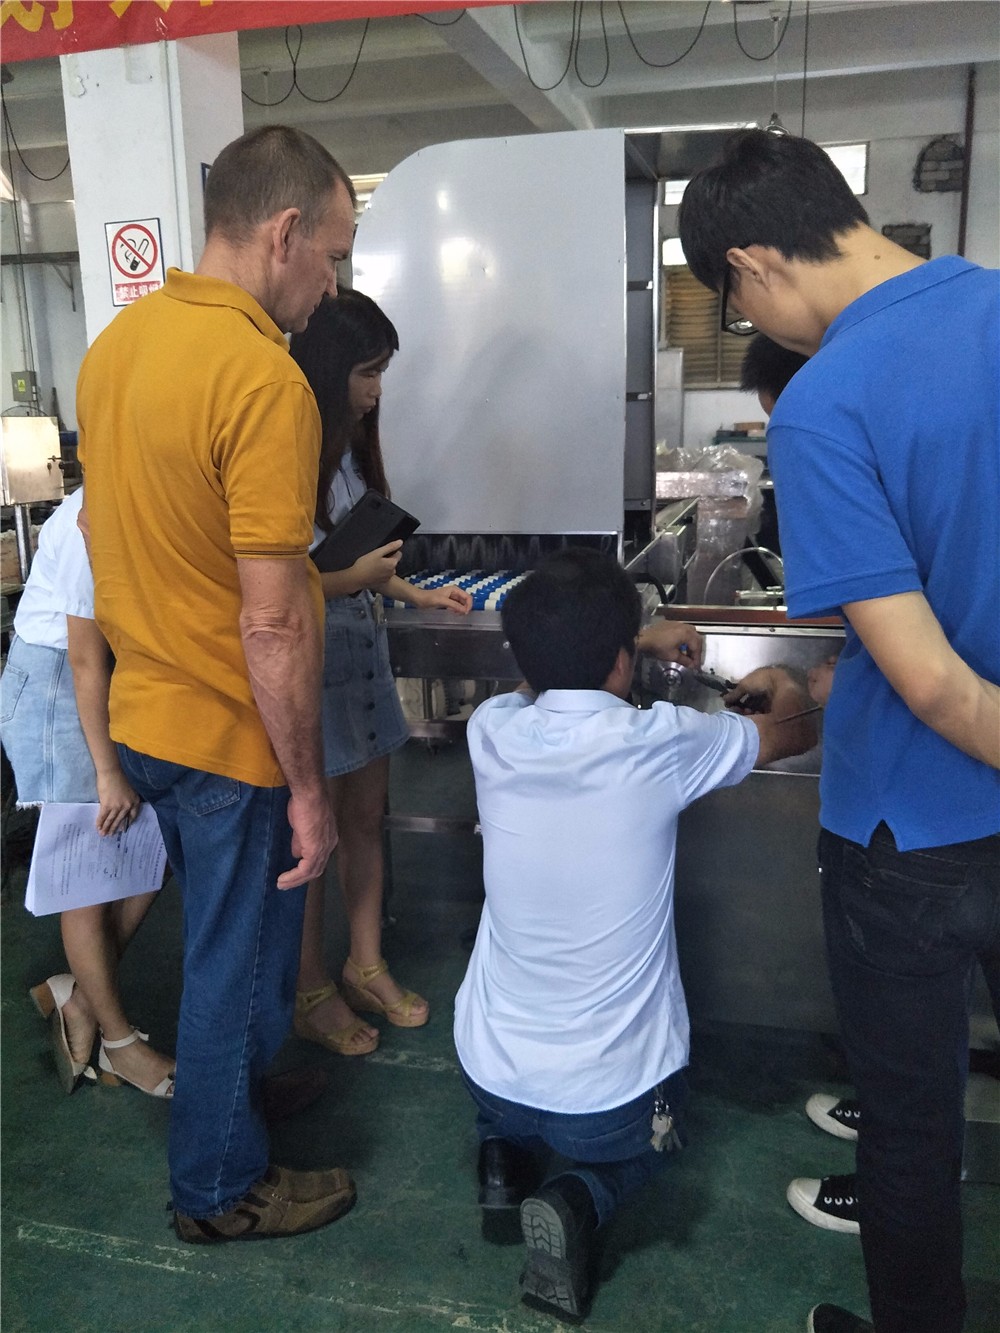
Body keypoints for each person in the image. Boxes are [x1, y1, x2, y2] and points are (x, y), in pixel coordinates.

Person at [679, 128, 1000, 1333]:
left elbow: (933, 684)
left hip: (903, 837)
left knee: (910, 1130)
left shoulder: (824, 401)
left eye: (735, 301)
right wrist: (820, 688)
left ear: (750, 263)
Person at [76, 125, 358, 1243]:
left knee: (220, 944)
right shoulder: (262, 379)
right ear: (283, 233)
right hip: (229, 734)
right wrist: (309, 787)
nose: (331, 286)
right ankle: (218, 1188)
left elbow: (104, 535)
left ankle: (228, 1100)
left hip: (146, 713)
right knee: (235, 964)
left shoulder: (117, 349)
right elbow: (273, 619)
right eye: (331, 255)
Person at [453, 546, 818, 1321]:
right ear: (621, 663)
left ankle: (501, 1153)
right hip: (611, 1096)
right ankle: (579, 1197)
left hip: (488, 1066)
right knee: (663, 1137)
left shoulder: (491, 730)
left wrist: (631, 642)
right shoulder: (662, 742)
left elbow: (539, 682)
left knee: (510, 1065)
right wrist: (780, 679)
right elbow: (789, 728)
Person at [286, 291, 472, 1055]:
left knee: (366, 820)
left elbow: (358, 559)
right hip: (312, 667)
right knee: (315, 836)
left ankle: (365, 963)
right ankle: (309, 987)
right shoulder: (285, 448)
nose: (376, 389)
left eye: (383, 372)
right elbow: (274, 585)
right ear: (330, 368)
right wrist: (354, 577)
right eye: (368, 371)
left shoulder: (347, 454)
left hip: (362, 655)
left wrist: (414, 592)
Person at [0, 488, 174, 1098]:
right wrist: (106, 771)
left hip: (103, 681)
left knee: (151, 851)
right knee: (89, 874)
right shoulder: (89, 516)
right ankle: (120, 1045)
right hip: (60, 688)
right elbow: (83, 659)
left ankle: (76, 994)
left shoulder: (145, 500)